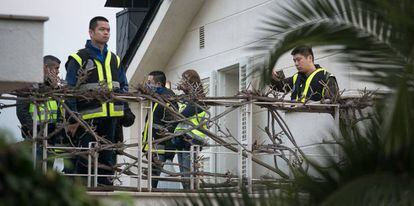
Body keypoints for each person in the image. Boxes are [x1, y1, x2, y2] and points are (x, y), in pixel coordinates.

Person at [65, 16, 128, 186]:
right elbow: (69, 90)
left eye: (108, 30)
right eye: (102, 29)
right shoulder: (79, 58)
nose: (106, 33)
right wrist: (73, 118)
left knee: (108, 160)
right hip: (86, 119)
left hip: (112, 118)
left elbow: (124, 86)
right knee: (86, 160)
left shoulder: (115, 59)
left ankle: (106, 193)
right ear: (91, 32)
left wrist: (125, 111)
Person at [16, 55, 63, 164]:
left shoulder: (54, 88)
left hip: (51, 136)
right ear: (45, 67)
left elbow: (59, 110)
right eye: (56, 68)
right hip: (35, 136)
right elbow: (21, 111)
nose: (57, 72)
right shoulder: (29, 86)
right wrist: (33, 130)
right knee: (36, 169)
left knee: (47, 173)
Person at [142, 71, 177, 188]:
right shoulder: (156, 98)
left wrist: (168, 150)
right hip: (153, 146)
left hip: (160, 147)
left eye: (149, 82)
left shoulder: (168, 99)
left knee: (155, 182)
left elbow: (172, 124)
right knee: (153, 181)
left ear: (158, 84)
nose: (147, 85)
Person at [172, 69, 207, 189]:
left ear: (191, 81)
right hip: (181, 139)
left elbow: (181, 115)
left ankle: (190, 196)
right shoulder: (184, 98)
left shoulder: (199, 100)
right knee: (183, 175)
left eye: (184, 80)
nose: (182, 82)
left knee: (188, 176)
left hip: (192, 140)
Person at [271, 45, 339, 102]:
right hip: (294, 117)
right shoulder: (296, 77)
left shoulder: (326, 77)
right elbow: (278, 86)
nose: (296, 64)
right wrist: (269, 75)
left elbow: (333, 106)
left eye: (299, 60)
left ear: (310, 58)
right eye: (294, 61)